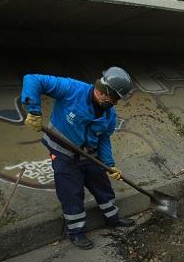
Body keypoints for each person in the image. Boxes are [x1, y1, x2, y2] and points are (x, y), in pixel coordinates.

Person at [21, 67, 136, 250]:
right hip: (63, 154)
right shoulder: (72, 89)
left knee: (102, 186)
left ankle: (113, 219)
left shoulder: (109, 114)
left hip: (89, 155)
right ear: (103, 91)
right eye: (113, 98)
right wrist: (33, 110)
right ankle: (76, 233)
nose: (114, 103)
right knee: (71, 193)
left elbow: (103, 140)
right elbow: (32, 79)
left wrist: (109, 164)